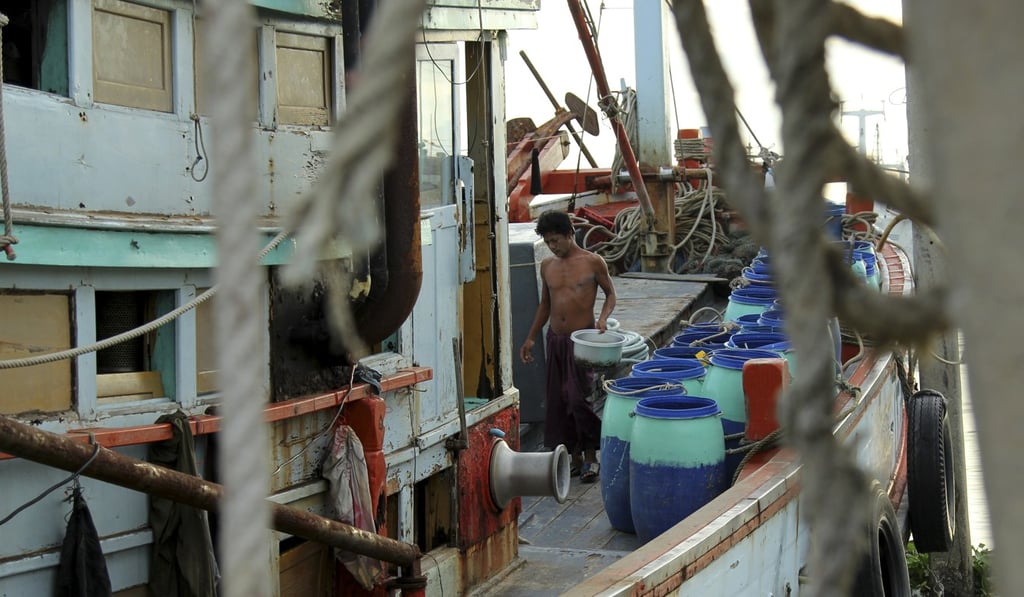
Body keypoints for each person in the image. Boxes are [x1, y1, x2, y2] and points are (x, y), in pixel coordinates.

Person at [519, 211, 616, 484]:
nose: (553, 246)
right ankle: (573, 458)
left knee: (578, 397)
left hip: (580, 341)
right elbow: (545, 305)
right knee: (558, 401)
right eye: (548, 242)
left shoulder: (593, 262)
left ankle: (590, 456)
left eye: (556, 240)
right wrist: (530, 338)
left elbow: (611, 294)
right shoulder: (547, 265)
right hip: (555, 338)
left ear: (570, 234)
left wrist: (603, 318)